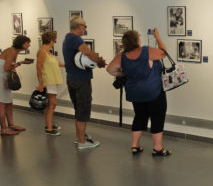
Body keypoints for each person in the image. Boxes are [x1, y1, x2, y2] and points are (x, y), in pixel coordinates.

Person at [107, 29, 171, 156]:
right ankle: (157, 148)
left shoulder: (122, 56)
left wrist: (124, 73)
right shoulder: (146, 51)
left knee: (139, 116)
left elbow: (110, 70)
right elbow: (164, 53)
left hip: (135, 93)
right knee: (157, 118)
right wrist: (157, 37)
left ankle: (135, 146)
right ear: (137, 40)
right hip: (153, 91)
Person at [62, 17, 106, 149]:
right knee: (83, 109)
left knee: (78, 110)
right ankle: (82, 142)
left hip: (72, 79)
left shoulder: (67, 38)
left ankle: (80, 137)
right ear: (79, 26)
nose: (86, 29)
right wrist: (100, 61)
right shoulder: (76, 39)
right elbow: (87, 52)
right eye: (85, 26)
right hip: (81, 80)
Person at [0, 35, 33, 135]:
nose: (29, 45)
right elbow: (7, 68)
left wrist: (21, 62)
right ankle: (4, 129)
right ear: (22, 44)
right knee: (2, 105)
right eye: (27, 43)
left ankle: (11, 125)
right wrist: (20, 63)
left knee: (9, 103)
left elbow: (10, 66)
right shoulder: (12, 51)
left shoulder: (14, 51)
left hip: (5, 79)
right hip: (1, 80)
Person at [36, 31, 64, 136]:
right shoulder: (42, 52)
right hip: (48, 81)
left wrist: (66, 65)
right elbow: (38, 67)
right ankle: (49, 128)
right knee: (52, 104)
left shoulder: (48, 51)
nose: (55, 42)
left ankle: (49, 124)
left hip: (53, 80)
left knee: (50, 104)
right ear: (51, 40)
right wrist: (40, 83)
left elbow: (55, 63)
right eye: (55, 40)